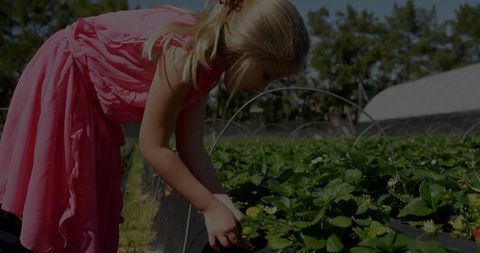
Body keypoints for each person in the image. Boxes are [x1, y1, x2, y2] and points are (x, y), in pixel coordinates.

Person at [0, 0, 310, 252]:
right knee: (60, 194)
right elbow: (154, 146)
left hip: (90, 100)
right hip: (66, 79)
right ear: (246, 50)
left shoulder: (207, 64)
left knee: (87, 200)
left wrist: (222, 202)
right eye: (267, 75)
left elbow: (191, 147)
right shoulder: (185, 53)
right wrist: (208, 208)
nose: (262, 87)